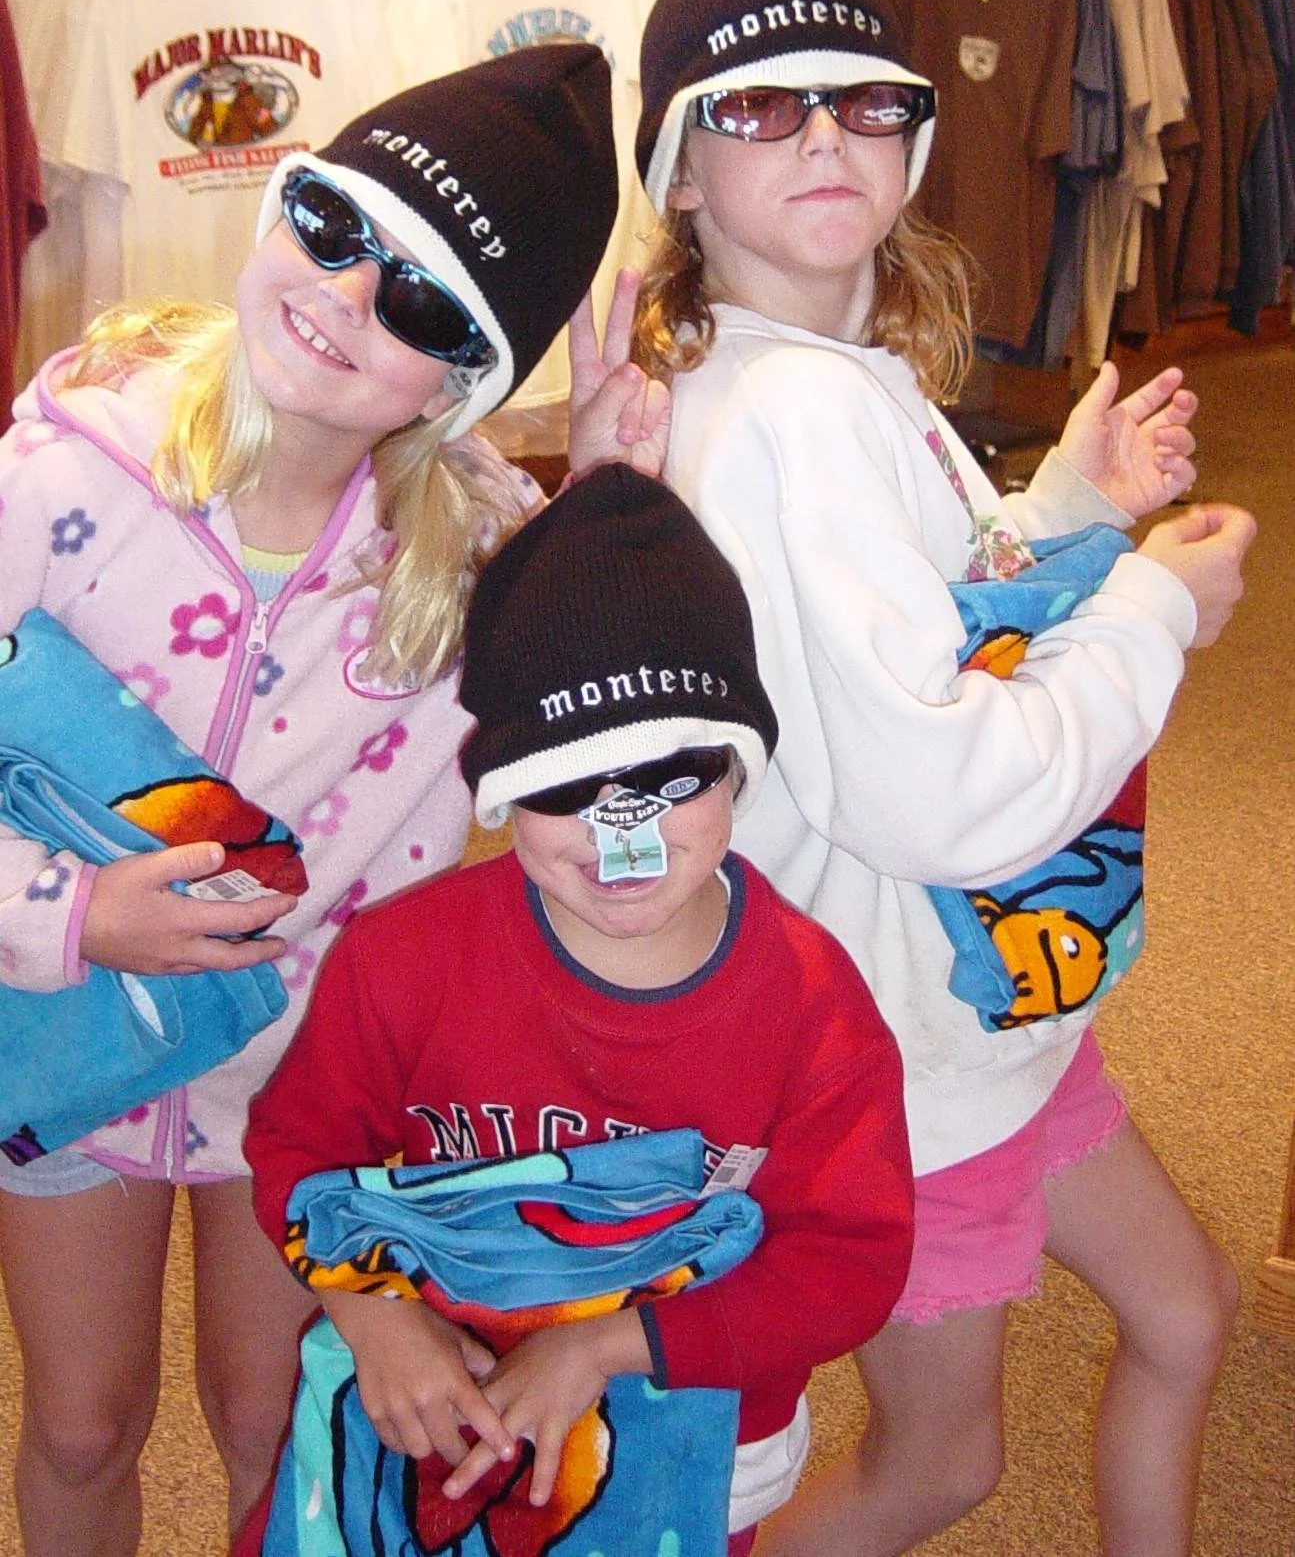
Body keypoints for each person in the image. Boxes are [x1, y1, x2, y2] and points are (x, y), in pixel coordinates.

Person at [628, 0, 1258, 1557]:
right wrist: (1150, 613)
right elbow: (939, 787)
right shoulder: (787, 421)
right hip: (904, 1038)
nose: (823, 136)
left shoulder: (832, 383)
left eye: (866, 101)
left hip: (976, 1005)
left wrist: (1063, 513)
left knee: (1189, 1317)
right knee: (939, 1465)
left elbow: (922, 612)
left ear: (913, 141)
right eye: (757, 109)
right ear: (683, 175)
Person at [0, 41, 669, 1557]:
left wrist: (625, 497)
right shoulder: (60, 475)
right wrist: (73, 909)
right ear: (278, 209)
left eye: (424, 301)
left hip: (308, 1073)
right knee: (83, 1415)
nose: (348, 294)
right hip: (61, 1021)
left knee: (273, 1417)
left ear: (472, 379)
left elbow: (612, 763)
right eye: (332, 224)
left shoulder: (488, 553)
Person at [242, 461, 915, 1557]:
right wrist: (371, 1313)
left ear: (738, 771)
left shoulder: (810, 1006)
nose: (621, 834)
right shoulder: (403, 961)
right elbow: (299, 1147)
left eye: (669, 773)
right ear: (502, 794)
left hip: (690, 1424)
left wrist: (612, 1346)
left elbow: (846, 1262)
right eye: (565, 784)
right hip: (437, 1415)